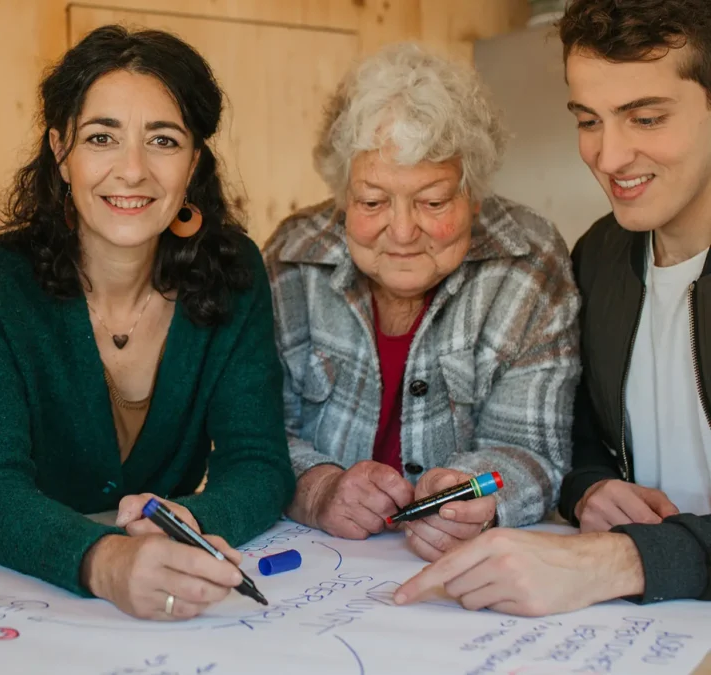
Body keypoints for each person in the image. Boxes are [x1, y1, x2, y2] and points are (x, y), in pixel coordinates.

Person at [0, 25, 295, 621]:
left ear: (195, 161)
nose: (132, 171)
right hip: (21, 596)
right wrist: (104, 562)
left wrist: (191, 521)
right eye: (102, 137)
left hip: (166, 584)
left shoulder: (233, 269)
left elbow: (259, 463)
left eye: (163, 140)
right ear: (61, 152)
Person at [398, 0, 711, 616]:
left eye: (645, 118)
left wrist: (624, 558)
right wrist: (589, 489)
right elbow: (585, 433)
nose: (609, 156)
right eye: (589, 120)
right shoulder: (599, 253)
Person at [264, 43, 581, 563]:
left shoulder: (527, 262)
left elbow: (534, 453)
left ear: (473, 195)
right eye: (372, 202)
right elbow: (255, 437)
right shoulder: (291, 261)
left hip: (458, 578)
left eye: (433, 202)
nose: (404, 231)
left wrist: (476, 494)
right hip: (318, 574)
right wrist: (318, 488)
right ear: (342, 195)